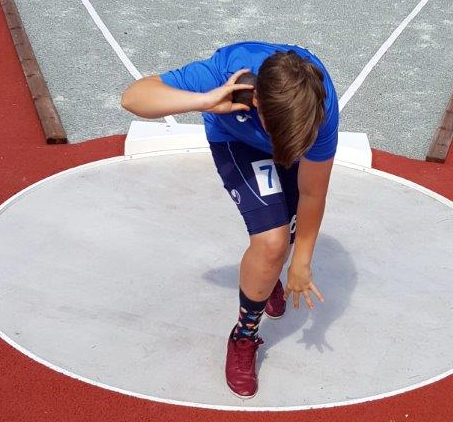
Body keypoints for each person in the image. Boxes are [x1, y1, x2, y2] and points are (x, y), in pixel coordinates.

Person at [121, 42, 339, 398]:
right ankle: (244, 336)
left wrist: (302, 261)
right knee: (272, 242)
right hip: (236, 141)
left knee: (289, 235)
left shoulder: (320, 108)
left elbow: (313, 193)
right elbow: (133, 97)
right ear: (256, 102)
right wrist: (205, 100)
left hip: (294, 141)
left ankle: (268, 279)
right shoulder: (228, 72)